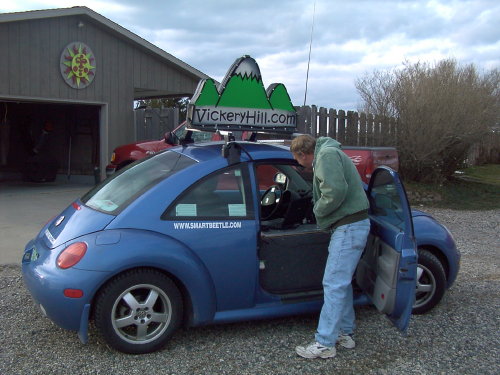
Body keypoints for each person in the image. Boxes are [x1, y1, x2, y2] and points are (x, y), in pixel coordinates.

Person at [291, 134, 370, 359]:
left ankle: (325, 343)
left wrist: (317, 211)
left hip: (348, 227)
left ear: (303, 154)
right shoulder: (330, 152)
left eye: (298, 160)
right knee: (341, 283)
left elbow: (334, 191)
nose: (300, 165)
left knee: (333, 283)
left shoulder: (325, 155)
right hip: (350, 226)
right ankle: (345, 332)